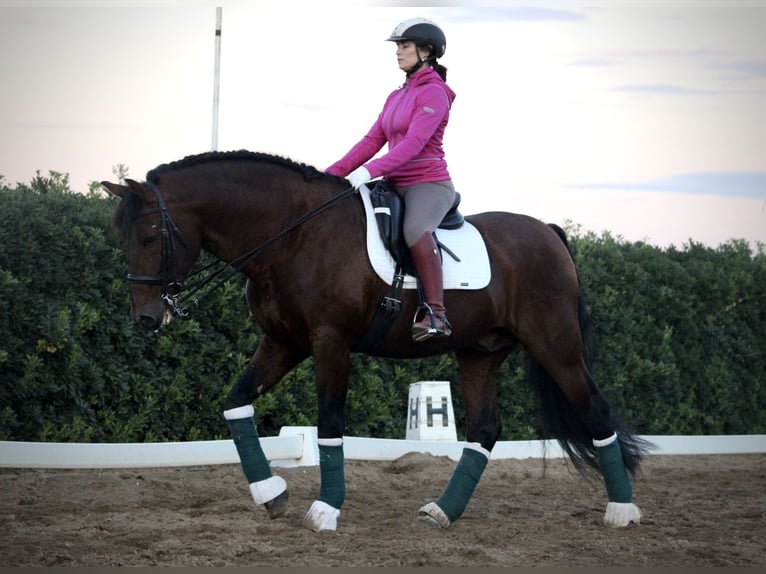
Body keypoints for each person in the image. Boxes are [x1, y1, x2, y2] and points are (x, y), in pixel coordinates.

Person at [326, 17, 457, 343]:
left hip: (428, 184)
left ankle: (436, 314)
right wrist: (327, 177)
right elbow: (371, 142)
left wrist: (369, 172)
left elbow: (413, 146)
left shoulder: (435, 94)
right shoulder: (396, 95)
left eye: (404, 45)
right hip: (393, 181)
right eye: (397, 45)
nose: (398, 52)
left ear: (426, 51)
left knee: (414, 229)